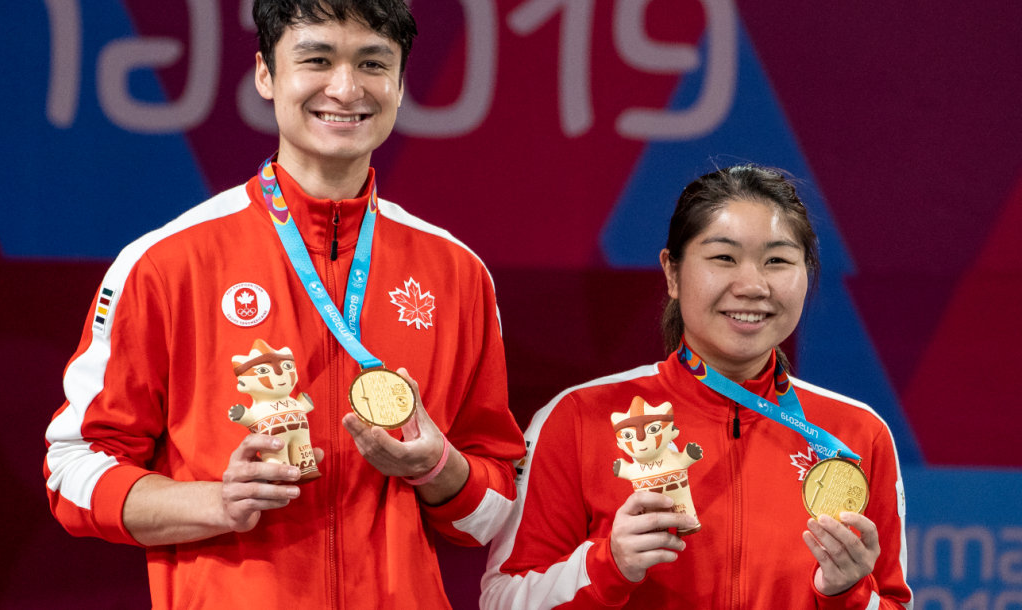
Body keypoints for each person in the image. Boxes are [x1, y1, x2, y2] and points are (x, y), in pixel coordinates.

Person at [44, 1, 524, 608]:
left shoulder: (457, 274)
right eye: (317, 59)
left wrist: (438, 468)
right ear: (266, 75)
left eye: (374, 63)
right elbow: (73, 471)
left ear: (401, 85)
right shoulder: (165, 264)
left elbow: (495, 510)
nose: (345, 88)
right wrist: (217, 501)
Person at [482, 166, 912, 609]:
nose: (752, 286)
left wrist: (848, 595)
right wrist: (607, 565)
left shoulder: (856, 434)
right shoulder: (577, 418)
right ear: (672, 272)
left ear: (807, 274)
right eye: (724, 258)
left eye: (778, 260)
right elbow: (502, 599)